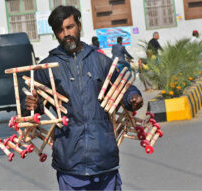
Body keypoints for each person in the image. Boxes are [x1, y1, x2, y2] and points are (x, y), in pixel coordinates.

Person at [23, 5, 143, 190]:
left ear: (78, 25)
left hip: (104, 159)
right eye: (60, 30)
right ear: (55, 33)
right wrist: (32, 105)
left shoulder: (99, 59)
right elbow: (33, 108)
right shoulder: (47, 68)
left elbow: (122, 87)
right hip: (70, 164)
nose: (66, 34)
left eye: (70, 27)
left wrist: (133, 97)